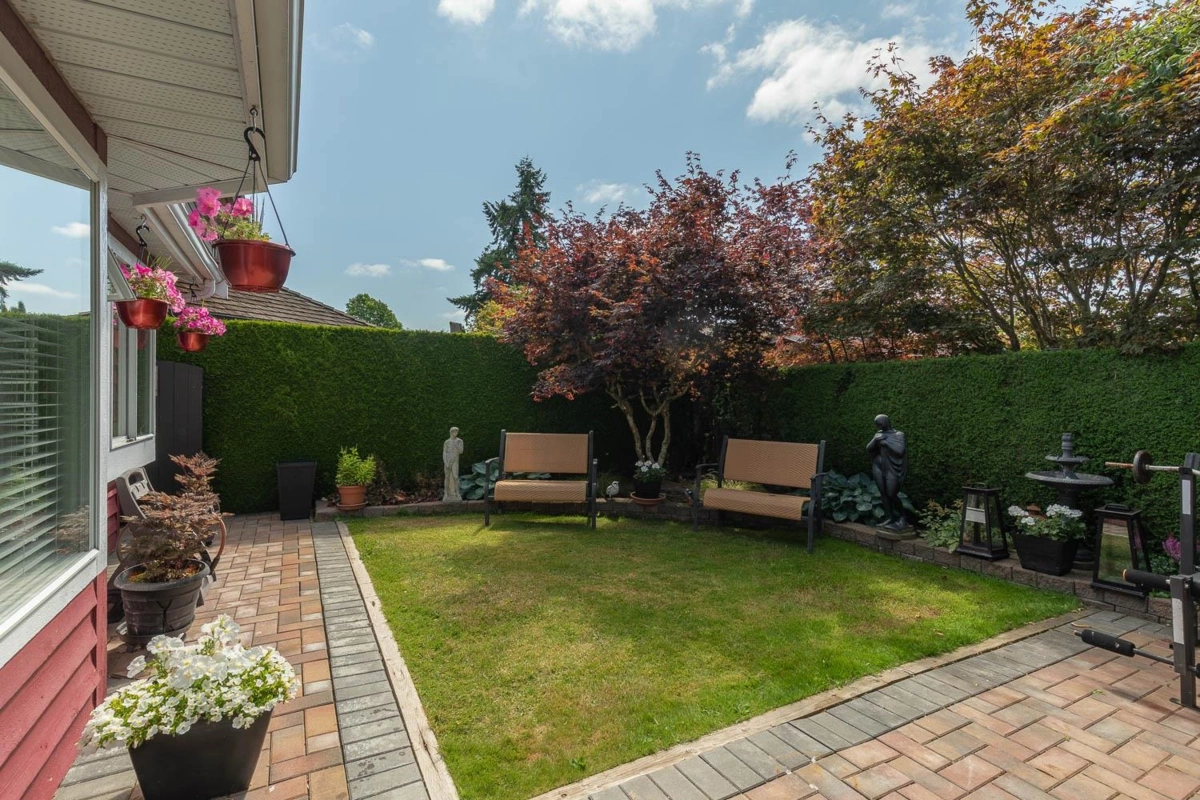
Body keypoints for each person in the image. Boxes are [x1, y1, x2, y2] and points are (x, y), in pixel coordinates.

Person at [867, 414, 909, 531]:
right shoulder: (878, 435)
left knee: (892, 493)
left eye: (880, 423)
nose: (878, 426)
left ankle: (902, 518)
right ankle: (890, 517)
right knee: (883, 493)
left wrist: (886, 444)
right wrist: (875, 440)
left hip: (892, 467)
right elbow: (868, 448)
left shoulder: (899, 435)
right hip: (878, 466)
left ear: (887, 422)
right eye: (877, 424)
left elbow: (900, 451)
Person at [443, 427, 464, 502]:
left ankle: (457, 493)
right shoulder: (447, 442)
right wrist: (446, 462)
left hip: (455, 460)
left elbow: (461, 451)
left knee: (455, 477)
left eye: (457, 432)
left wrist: (456, 445)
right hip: (448, 461)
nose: (456, 433)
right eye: (455, 432)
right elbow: (444, 452)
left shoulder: (459, 441)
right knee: (447, 477)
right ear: (451, 432)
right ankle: (446, 493)